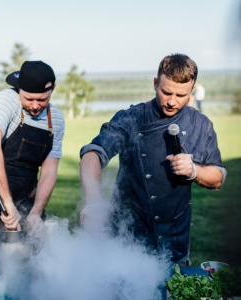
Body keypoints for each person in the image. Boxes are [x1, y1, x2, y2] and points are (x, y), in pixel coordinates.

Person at [79, 53, 226, 265]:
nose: (172, 101)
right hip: (127, 240)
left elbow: (217, 177)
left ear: (191, 93)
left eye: (181, 95)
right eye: (166, 92)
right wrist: (93, 203)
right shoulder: (131, 118)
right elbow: (92, 154)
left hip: (175, 242)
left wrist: (195, 171)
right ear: (155, 83)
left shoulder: (201, 125)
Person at [0, 60, 65, 241]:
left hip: (26, 197)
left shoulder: (55, 119)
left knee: (29, 256)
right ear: (19, 90)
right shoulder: (7, 100)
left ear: (53, 89)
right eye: (29, 99)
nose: (35, 105)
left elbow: (49, 171)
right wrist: (8, 203)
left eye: (42, 99)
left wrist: (36, 211)